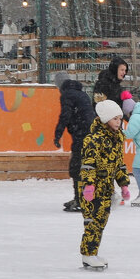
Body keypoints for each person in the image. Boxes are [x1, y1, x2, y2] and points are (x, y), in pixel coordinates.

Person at [78, 100, 130, 269]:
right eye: (115, 118)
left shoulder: (116, 139)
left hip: (106, 188)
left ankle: (93, 252)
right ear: (105, 119)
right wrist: (88, 185)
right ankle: (87, 254)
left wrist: (123, 184)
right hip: (91, 188)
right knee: (92, 222)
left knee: (101, 221)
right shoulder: (93, 140)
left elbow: (119, 165)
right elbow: (88, 164)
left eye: (120, 119)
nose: (118, 122)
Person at [53, 71, 94, 211]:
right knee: (83, 166)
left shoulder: (67, 94)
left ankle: (80, 201)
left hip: (81, 134)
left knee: (76, 167)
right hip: (89, 134)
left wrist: (57, 134)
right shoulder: (81, 93)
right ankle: (80, 198)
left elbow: (65, 115)